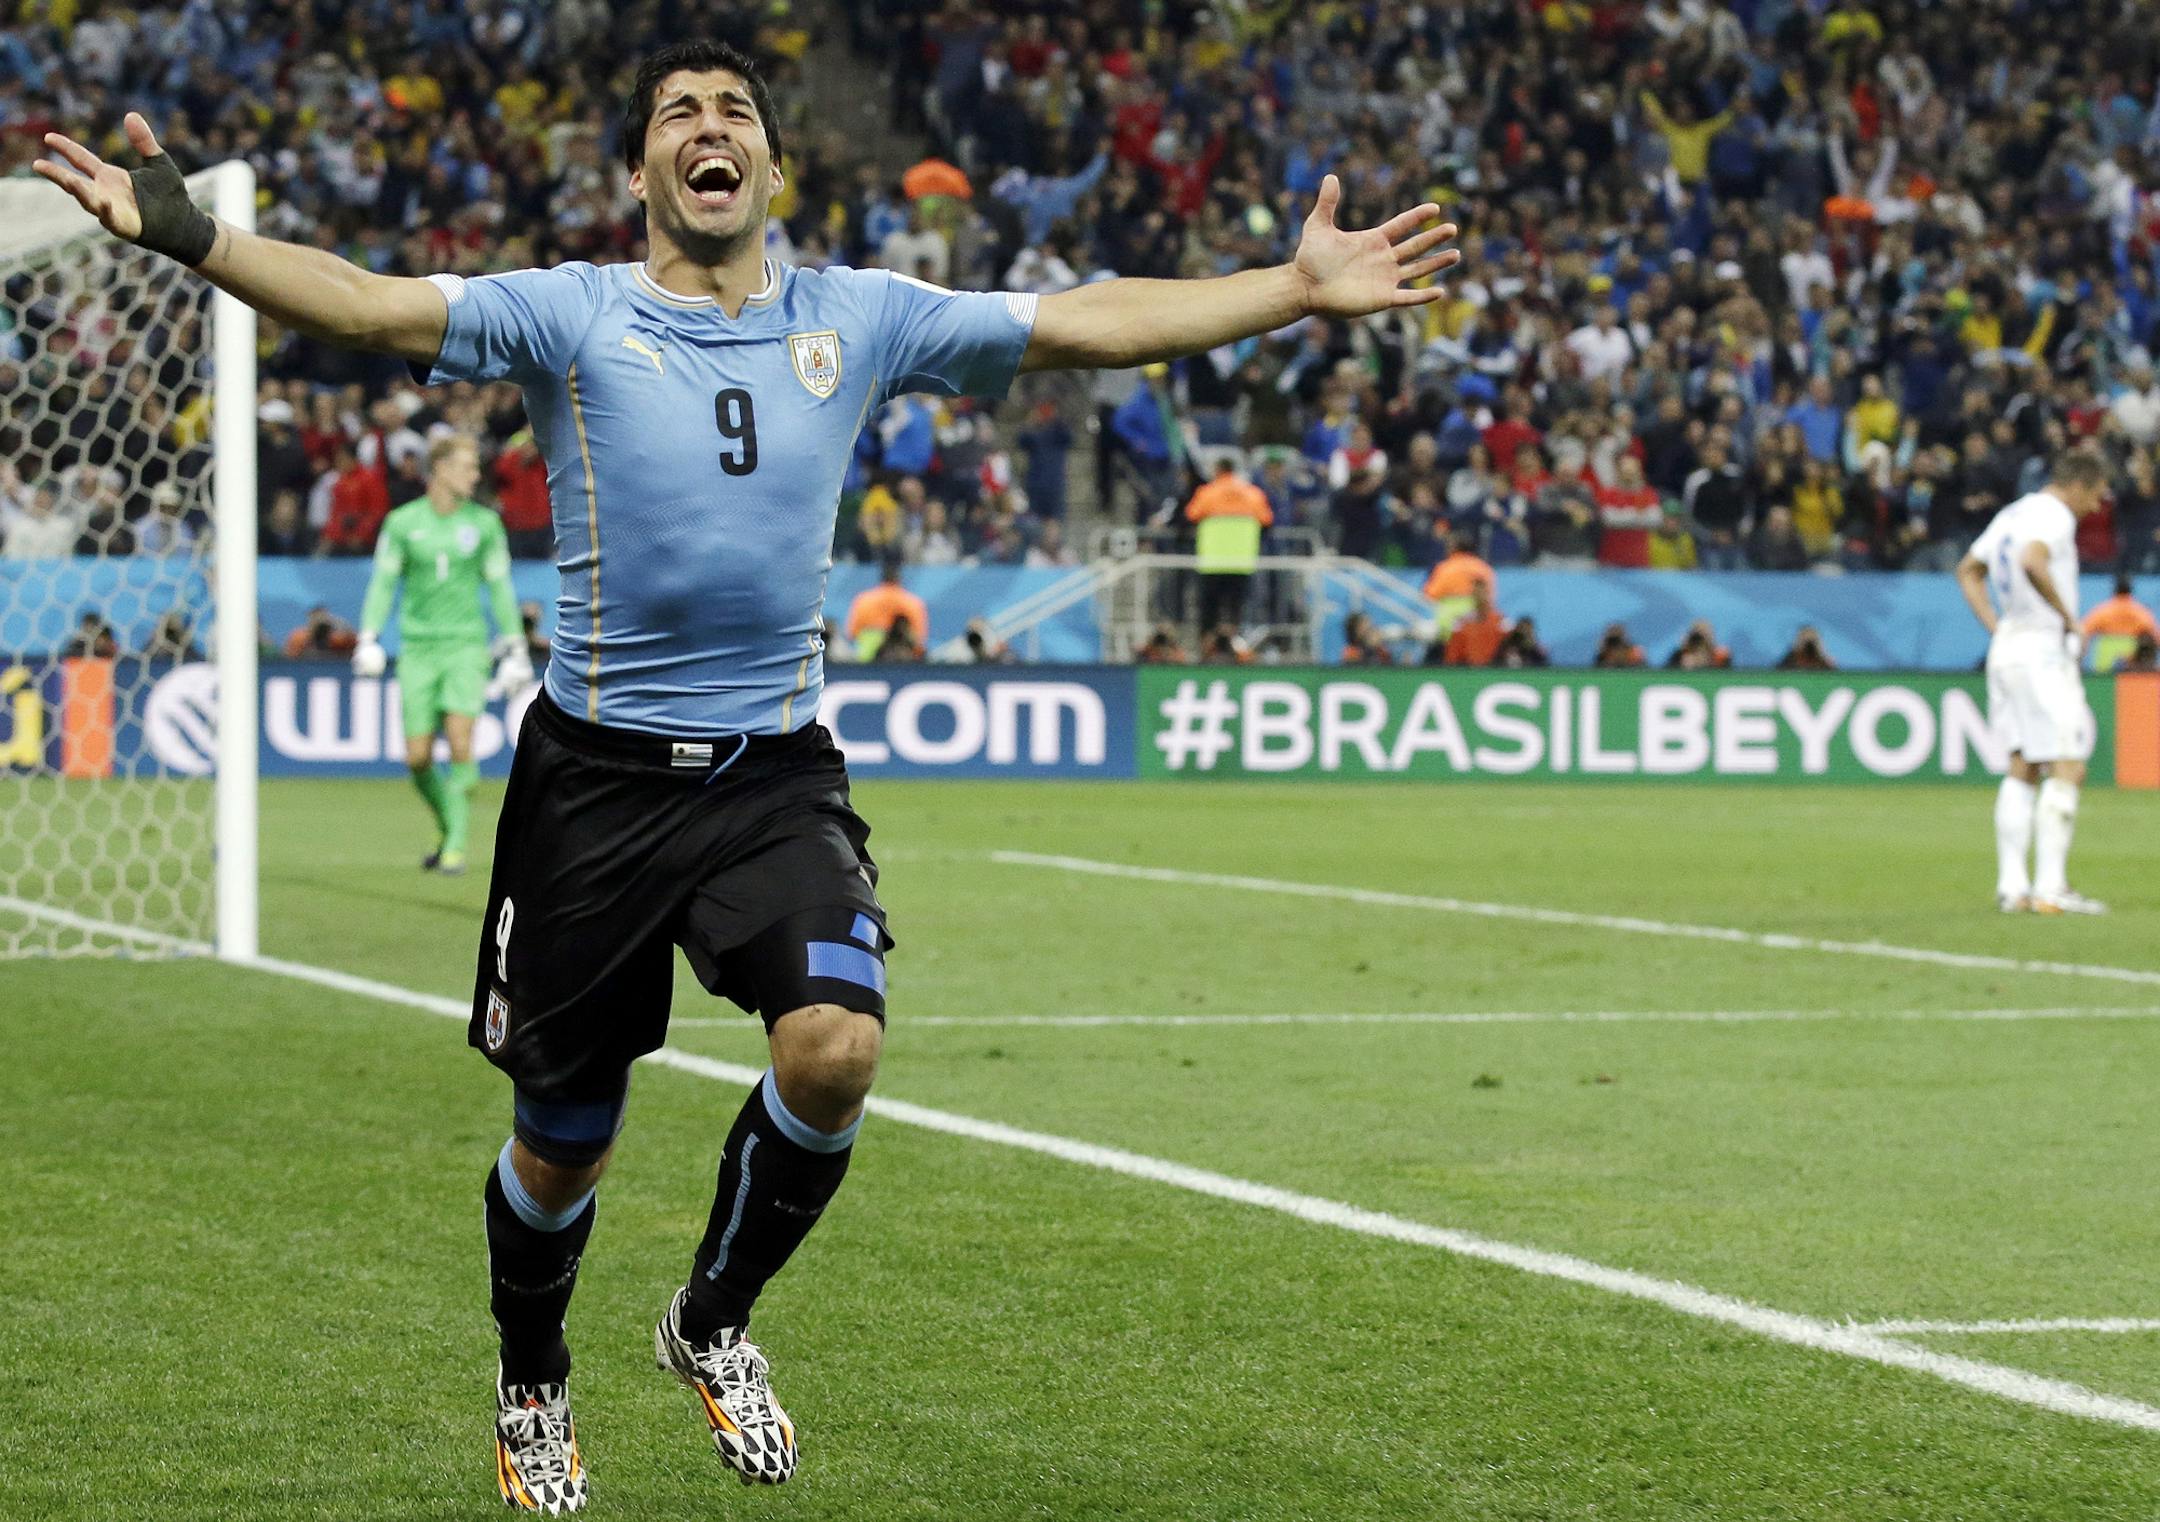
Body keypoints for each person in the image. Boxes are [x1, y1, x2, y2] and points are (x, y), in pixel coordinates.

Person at [35, 41, 1461, 1510]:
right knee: (560, 1144)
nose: (708, 133)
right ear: (642, 172)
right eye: (678, 117)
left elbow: (1081, 323)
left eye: (735, 118)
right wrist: (198, 236)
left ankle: (710, 1325)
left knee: (836, 1045)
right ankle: (533, 1380)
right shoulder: (569, 313)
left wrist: (1289, 288)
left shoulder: (860, 313)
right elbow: (372, 301)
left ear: (773, 172)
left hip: (771, 772)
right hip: (591, 784)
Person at [352, 434, 530, 876]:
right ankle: (446, 824)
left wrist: (515, 646)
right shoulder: (402, 523)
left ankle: (454, 844)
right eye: (468, 467)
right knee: (416, 758)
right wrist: (368, 636)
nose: (476, 475)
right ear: (441, 470)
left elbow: (500, 589)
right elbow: (384, 584)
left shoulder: (486, 524)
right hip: (417, 650)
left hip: (466, 646)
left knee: (462, 742)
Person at [1956, 449, 2111, 915]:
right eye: (2097, 494)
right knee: (2069, 763)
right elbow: (2032, 559)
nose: (2097, 506)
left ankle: (2013, 887)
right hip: (2042, 651)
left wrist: (1995, 625)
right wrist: (2070, 619)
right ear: (2079, 485)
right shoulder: (2054, 515)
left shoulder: (2012, 513)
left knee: (2022, 764)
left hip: (2009, 647)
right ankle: (2051, 888)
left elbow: (1968, 569)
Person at [1183, 457, 1273, 631]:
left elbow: (1191, 516)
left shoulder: (1207, 492)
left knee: (1210, 609)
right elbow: (1267, 520)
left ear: (1218, 470)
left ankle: (1208, 646)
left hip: (1212, 562)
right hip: (1242, 561)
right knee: (1236, 608)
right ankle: (1235, 646)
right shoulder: (1253, 493)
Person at [844, 556, 931, 661]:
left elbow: (852, 633)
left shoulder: (864, 600)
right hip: (904, 661)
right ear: (899, 579)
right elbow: (920, 638)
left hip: (868, 658)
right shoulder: (913, 602)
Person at [2079, 573, 2160, 671]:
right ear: (2131, 591)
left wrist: (2080, 656)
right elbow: (2154, 635)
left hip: (2107, 648)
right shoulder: (2140, 611)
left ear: (2114, 590)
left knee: (2103, 652)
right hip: (2131, 649)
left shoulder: (2104, 610)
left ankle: (2099, 679)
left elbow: (2085, 631)